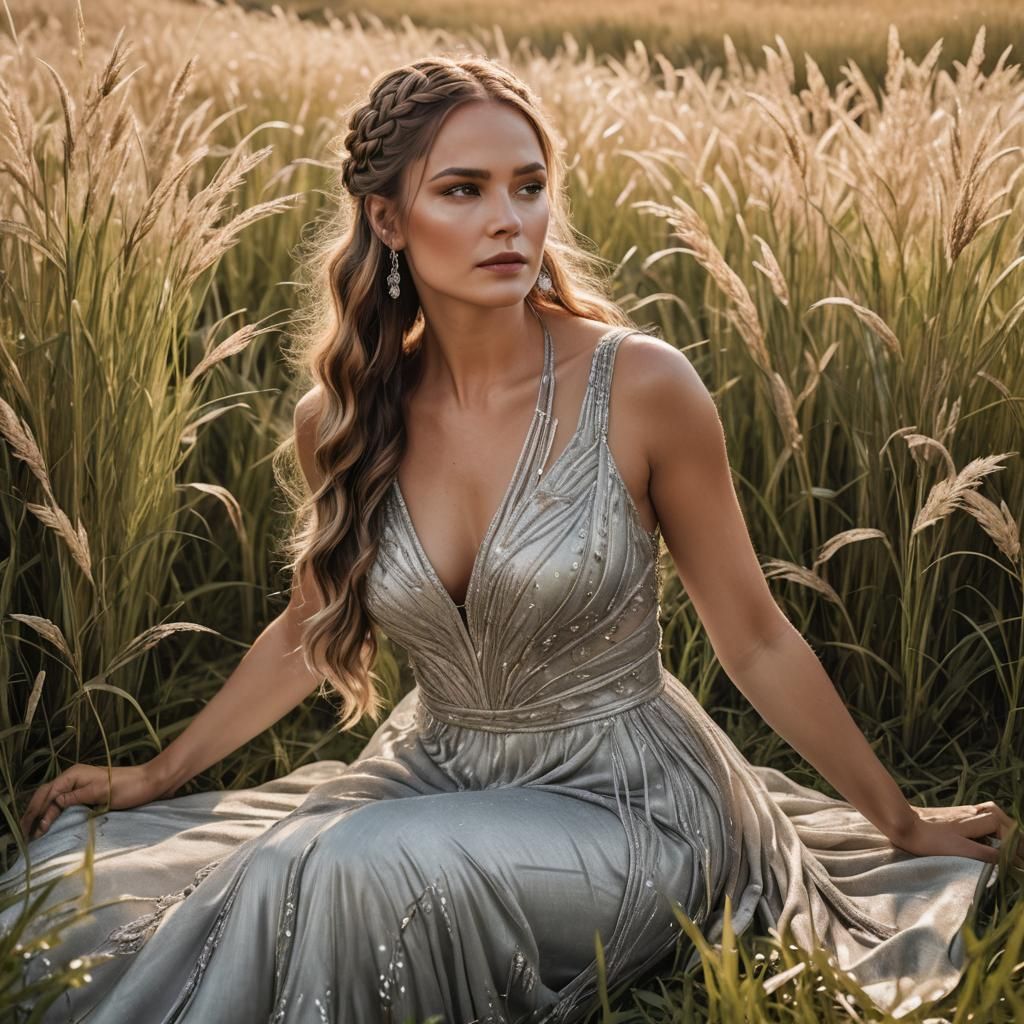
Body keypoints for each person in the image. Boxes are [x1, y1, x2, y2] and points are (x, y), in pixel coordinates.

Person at [5, 54, 1020, 1024]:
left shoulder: (643, 387)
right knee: (169, 881)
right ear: (387, 218)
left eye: (528, 186)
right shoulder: (345, 415)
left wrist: (900, 821)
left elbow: (752, 638)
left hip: (633, 803)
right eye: (464, 191)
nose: (508, 220)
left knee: (342, 868)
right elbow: (307, 624)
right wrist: (153, 777)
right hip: (436, 764)